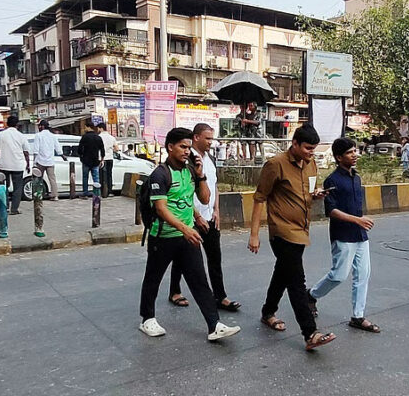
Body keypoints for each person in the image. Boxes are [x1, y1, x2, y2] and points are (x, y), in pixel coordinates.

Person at [138, 127, 241, 342]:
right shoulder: (160, 174)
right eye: (183, 147)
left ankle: (214, 325)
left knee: (199, 280)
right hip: (163, 236)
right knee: (153, 279)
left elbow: (202, 199)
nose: (187, 151)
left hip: (187, 236)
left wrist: (201, 177)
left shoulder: (190, 171)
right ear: (170, 147)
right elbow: (161, 208)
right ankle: (147, 318)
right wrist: (185, 228)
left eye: (188, 147)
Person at [248, 123, 336, 351]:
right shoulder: (275, 165)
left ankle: (268, 311)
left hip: (302, 230)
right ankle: (310, 332)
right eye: (307, 148)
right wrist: (254, 234)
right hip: (282, 231)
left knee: (283, 273)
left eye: (313, 149)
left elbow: (307, 192)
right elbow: (259, 198)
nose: (310, 153)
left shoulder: (311, 165)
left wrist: (316, 195)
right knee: (297, 281)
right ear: (294, 143)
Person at [308, 138, 380, 333]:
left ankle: (358, 316)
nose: (354, 155)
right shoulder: (332, 180)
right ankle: (312, 295)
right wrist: (357, 220)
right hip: (343, 235)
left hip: (360, 235)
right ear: (339, 157)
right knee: (339, 275)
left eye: (355, 151)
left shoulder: (356, 178)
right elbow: (331, 210)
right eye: (350, 152)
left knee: (363, 275)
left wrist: (360, 222)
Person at [168, 123, 241, 311]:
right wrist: (197, 215)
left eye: (212, 138)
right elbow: (183, 192)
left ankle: (220, 296)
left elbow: (214, 185)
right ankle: (175, 291)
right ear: (196, 137)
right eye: (207, 138)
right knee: (183, 257)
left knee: (215, 258)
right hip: (191, 218)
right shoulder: (187, 160)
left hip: (210, 216)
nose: (210, 142)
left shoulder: (211, 159)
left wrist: (216, 210)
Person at [0, 116, 31, 214]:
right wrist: (28, 164)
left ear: (7, 124)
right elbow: (26, 152)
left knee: (3, 187)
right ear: (17, 125)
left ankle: (5, 207)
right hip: (18, 165)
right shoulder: (21, 136)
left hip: (3, 165)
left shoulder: (0, 135)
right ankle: (14, 209)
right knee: (17, 188)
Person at [34, 120, 66, 201]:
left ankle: (38, 194)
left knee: (38, 179)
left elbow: (36, 150)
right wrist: (62, 155)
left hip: (40, 160)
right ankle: (55, 195)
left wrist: (34, 162)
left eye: (39, 126)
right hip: (50, 161)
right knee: (52, 179)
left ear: (42, 126)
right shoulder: (53, 136)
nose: (39, 127)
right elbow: (57, 147)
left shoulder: (38, 135)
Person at [76, 119, 105, 198]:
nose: (85, 129)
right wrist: (101, 159)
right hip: (95, 161)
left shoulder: (84, 137)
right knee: (96, 178)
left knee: (85, 178)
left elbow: (79, 149)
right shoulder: (98, 138)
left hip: (86, 160)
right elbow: (102, 150)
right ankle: (97, 194)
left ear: (88, 127)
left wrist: (81, 157)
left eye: (85, 127)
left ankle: (85, 193)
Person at [97, 122, 117, 197]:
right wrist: (111, 150)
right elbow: (117, 148)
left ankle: (103, 192)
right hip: (110, 158)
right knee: (109, 175)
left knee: (102, 176)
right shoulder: (112, 137)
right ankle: (110, 191)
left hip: (101, 159)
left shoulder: (99, 137)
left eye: (98, 128)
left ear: (101, 128)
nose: (98, 130)